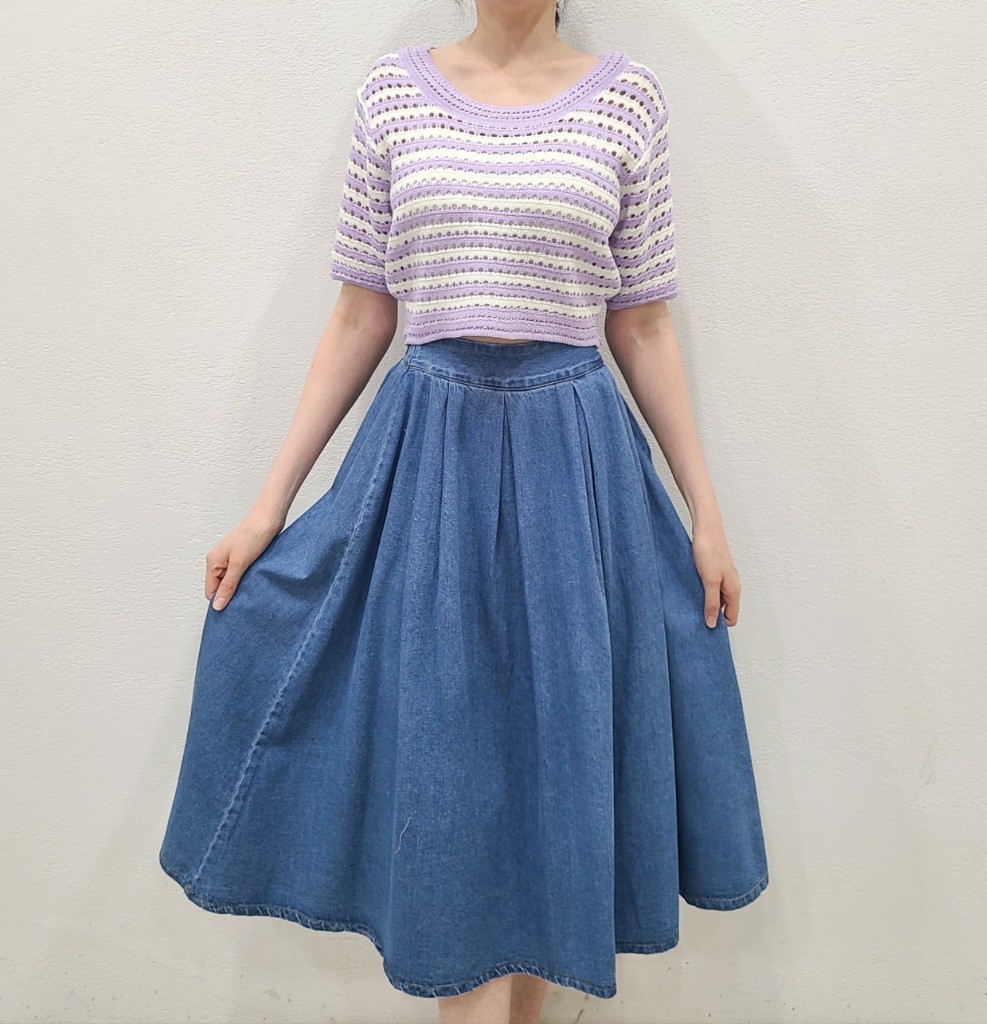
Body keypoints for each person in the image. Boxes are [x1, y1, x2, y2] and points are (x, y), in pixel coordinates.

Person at [158, 4, 769, 1022]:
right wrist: (268, 509)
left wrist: (705, 512)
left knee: (551, 770)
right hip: (426, 467)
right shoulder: (393, 94)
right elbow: (361, 312)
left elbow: (644, 323)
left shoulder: (628, 99)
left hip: (577, 479)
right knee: (450, 774)